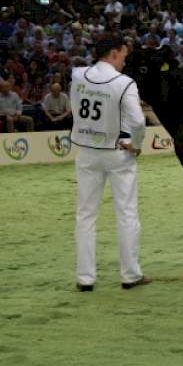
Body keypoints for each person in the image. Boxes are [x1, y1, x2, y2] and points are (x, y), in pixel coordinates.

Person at [69, 34, 151, 292]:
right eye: (124, 55)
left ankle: (85, 278)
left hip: (87, 152)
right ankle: (130, 274)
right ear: (114, 53)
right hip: (117, 152)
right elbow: (138, 121)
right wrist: (136, 144)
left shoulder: (77, 75)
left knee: (85, 215)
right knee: (126, 213)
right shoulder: (124, 83)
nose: (125, 61)